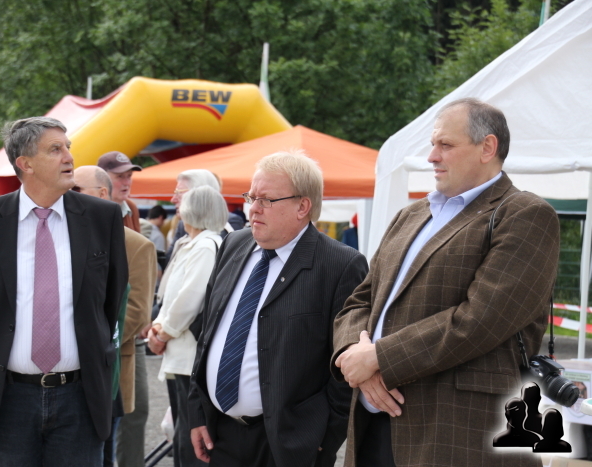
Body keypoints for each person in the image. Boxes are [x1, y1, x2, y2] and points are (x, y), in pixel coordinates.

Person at [332, 98, 560, 467]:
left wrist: (377, 359)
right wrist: (352, 355)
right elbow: (360, 301)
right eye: (433, 144)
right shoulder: (410, 215)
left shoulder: (525, 214)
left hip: (454, 435)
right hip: (373, 427)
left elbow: (479, 320)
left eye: (446, 145)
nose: (432, 156)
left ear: (487, 147)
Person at [0, 117, 128, 466]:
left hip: (80, 398)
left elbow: (110, 302)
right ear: (25, 163)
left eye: (68, 148)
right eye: (55, 149)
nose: (69, 157)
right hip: (8, 399)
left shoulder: (103, 217)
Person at [188, 150, 368, 467]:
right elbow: (209, 333)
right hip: (221, 434)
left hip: (287, 446)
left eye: (266, 200)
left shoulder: (340, 265)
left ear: (302, 207)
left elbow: (344, 364)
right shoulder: (234, 244)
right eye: (251, 197)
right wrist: (198, 412)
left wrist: (321, 441)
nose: (253, 208)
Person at [73, 165, 157, 467]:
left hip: (109, 370)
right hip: (62, 375)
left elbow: (137, 312)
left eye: (76, 190)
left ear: (101, 194)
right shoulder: (61, 238)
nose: (68, 196)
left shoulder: (136, 245)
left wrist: (85, 341)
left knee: (102, 455)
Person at [148, 186, 227, 466]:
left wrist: (162, 333)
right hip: (179, 349)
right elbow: (171, 295)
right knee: (183, 429)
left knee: (189, 433)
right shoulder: (194, 243)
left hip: (187, 352)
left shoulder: (205, 245)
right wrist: (159, 329)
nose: (177, 207)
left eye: (183, 203)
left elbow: (189, 299)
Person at [166, 169, 244, 263]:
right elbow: (169, 262)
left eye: (179, 192)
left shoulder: (228, 225)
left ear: (202, 195)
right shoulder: (183, 225)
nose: (173, 199)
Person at [98, 151, 142, 233]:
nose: (127, 183)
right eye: (120, 176)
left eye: (129, 176)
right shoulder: (92, 209)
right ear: (102, 179)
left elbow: (137, 241)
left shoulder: (131, 207)